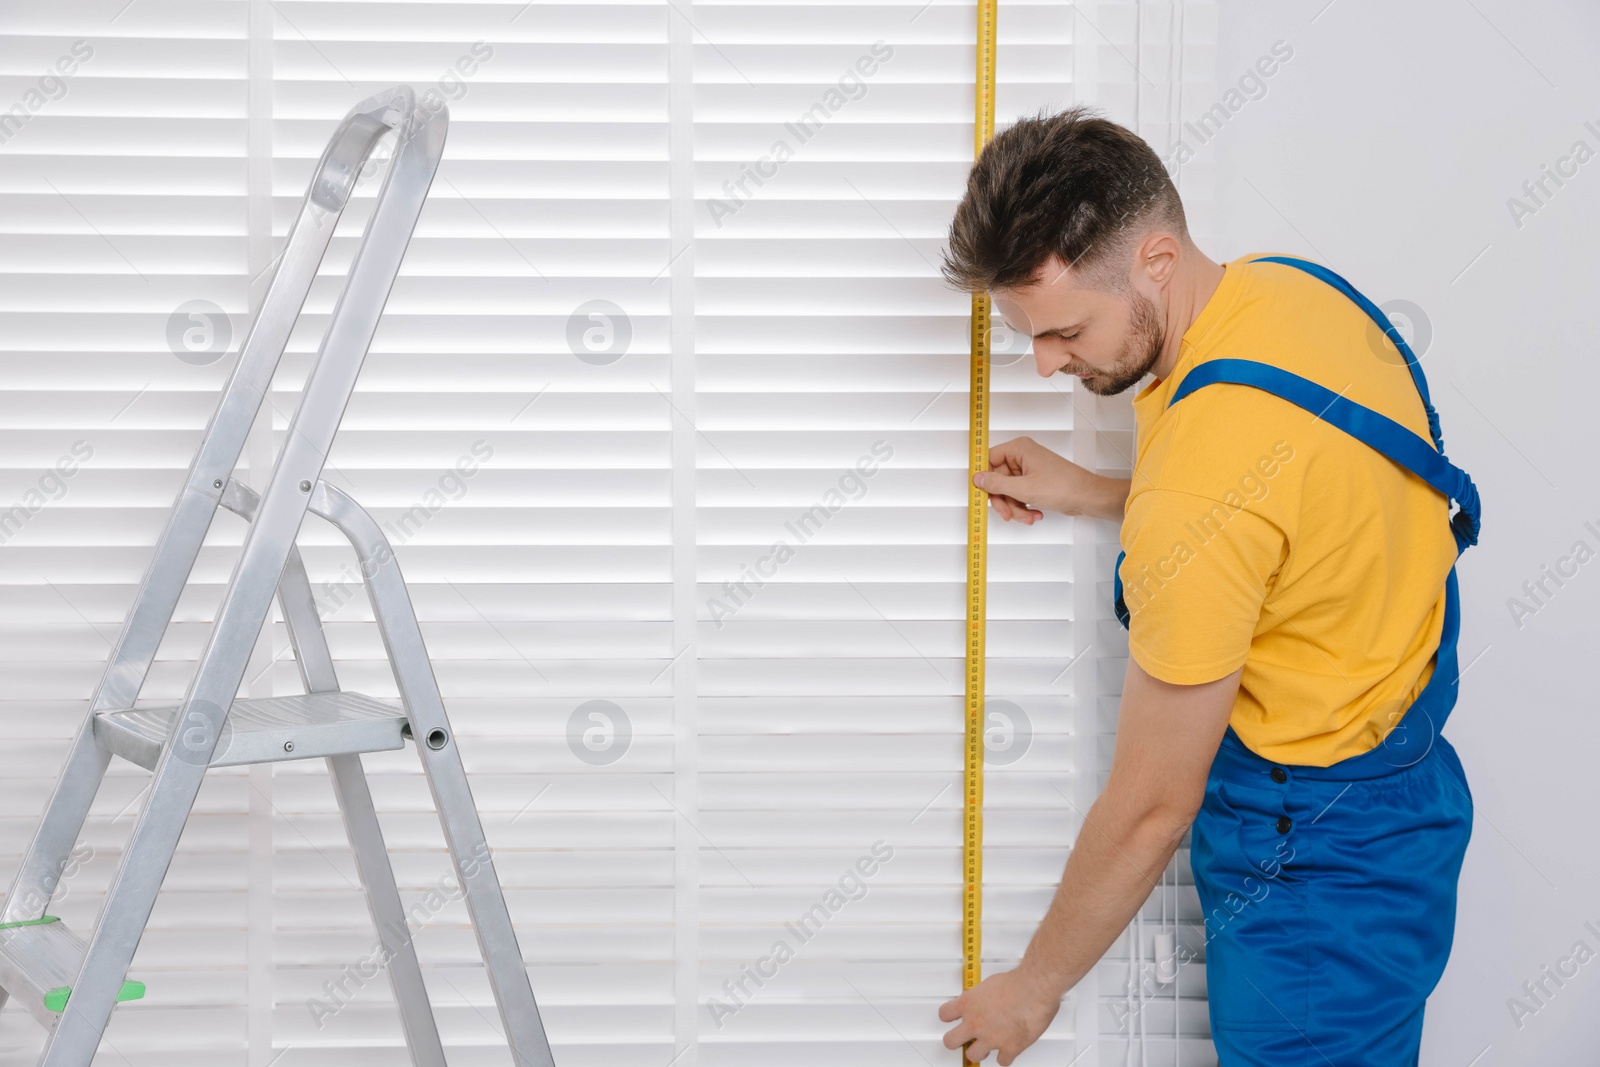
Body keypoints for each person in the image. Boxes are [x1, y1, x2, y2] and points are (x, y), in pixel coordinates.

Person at [933, 105, 1481, 1066]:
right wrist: (1102, 492)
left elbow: (1151, 804)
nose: (1047, 362)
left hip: (1313, 864)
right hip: (1406, 779)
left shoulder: (1199, 493)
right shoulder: (1287, 296)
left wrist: (1032, 989)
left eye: (1063, 330)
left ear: (1152, 259)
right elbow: (1294, 487)